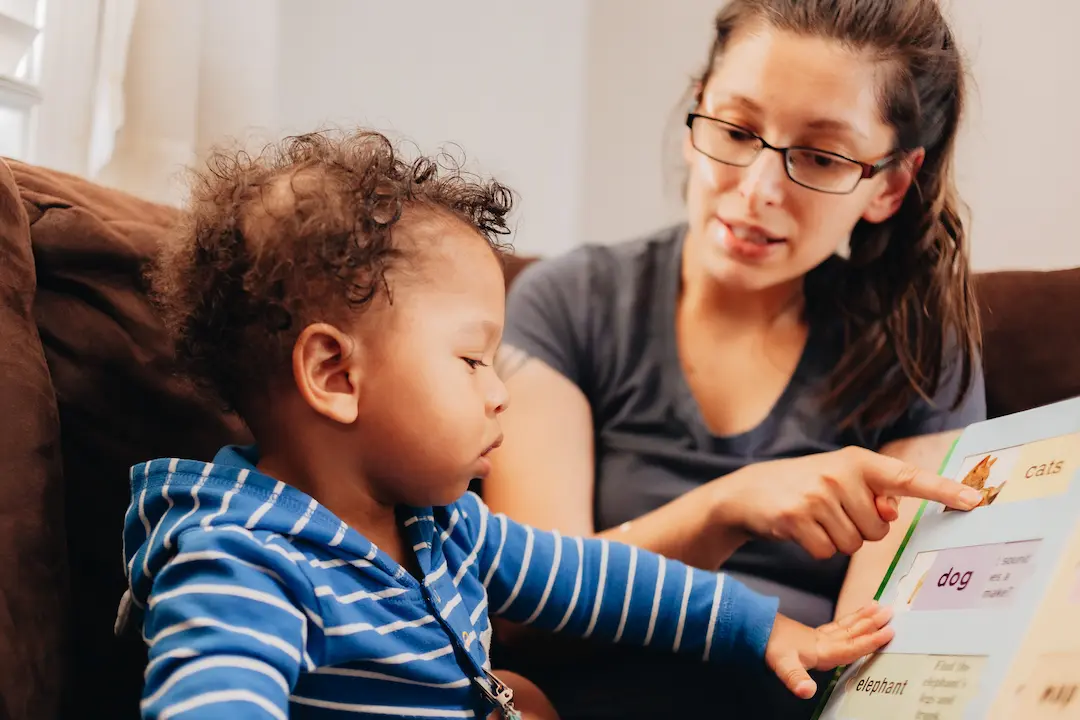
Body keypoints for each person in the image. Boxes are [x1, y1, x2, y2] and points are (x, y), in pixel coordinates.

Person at [111, 130, 945, 720]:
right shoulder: (243, 561)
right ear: (336, 375)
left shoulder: (445, 529)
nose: (500, 393)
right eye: (472, 361)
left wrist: (764, 632)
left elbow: (605, 582)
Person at [487, 0, 987, 716]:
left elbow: (879, 663)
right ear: (698, 116)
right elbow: (528, 610)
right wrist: (728, 508)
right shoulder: (571, 305)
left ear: (890, 185)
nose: (757, 189)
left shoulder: (916, 351)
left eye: (820, 155)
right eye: (735, 130)